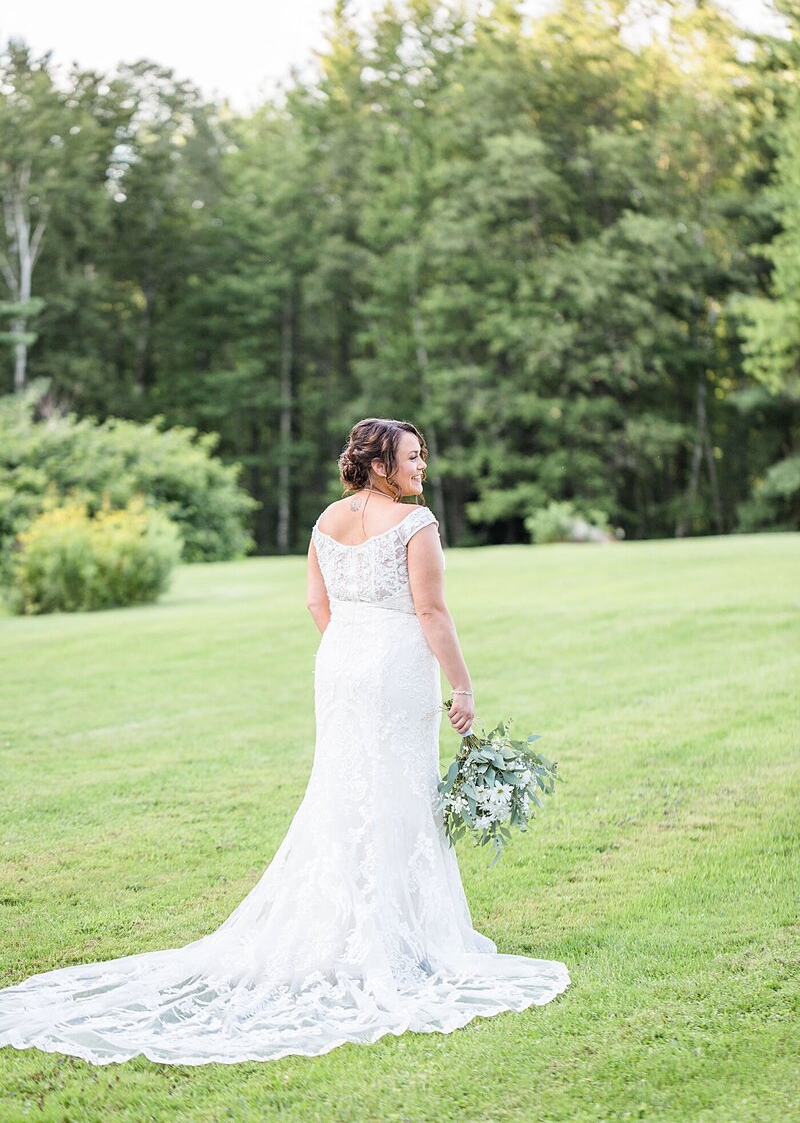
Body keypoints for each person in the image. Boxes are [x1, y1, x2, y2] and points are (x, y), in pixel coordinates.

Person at [0, 417, 569, 1066]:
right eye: (413, 456)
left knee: (343, 787)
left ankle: (352, 925)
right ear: (381, 463)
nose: (424, 466)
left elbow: (314, 605)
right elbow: (432, 612)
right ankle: (398, 933)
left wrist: (347, 646)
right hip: (394, 666)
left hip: (341, 664)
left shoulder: (327, 520)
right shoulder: (417, 526)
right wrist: (462, 687)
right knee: (395, 787)